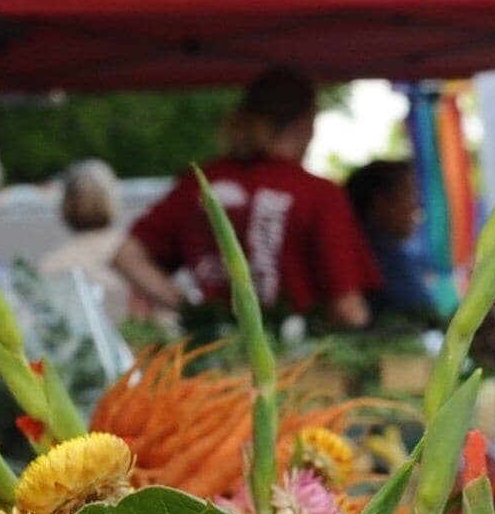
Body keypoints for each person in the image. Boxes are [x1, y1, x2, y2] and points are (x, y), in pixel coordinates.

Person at [116, 65, 375, 330]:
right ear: (305, 123)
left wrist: (195, 313)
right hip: (299, 350)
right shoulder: (318, 194)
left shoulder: (200, 183)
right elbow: (348, 308)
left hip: (217, 347)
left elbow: (126, 255)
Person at [343, 156, 443, 320]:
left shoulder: (372, 247)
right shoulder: (379, 253)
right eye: (410, 194)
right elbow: (424, 313)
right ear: (380, 203)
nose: (417, 205)